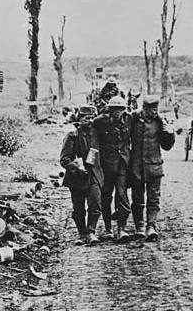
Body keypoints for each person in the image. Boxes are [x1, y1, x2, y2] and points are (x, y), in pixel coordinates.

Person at [129, 95, 175, 240]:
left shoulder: (160, 122)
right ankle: (139, 226)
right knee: (137, 199)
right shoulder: (133, 120)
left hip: (154, 166)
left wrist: (169, 133)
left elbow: (166, 146)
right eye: (151, 110)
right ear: (144, 108)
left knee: (153, 199)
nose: (154, 112)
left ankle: (151, 226)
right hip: (136, 167)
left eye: (155, 109)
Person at [59, 105, 102, 244]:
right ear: (79, 120)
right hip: (76, 178)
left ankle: (91, 232)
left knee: (95, 203)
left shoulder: (97, 134)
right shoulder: (72, 136)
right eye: (86, 118)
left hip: (94, 174)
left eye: (92, 118)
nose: (90, 121)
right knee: (78, 207)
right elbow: (64, 159)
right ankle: (82, 233)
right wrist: (76, 167)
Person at [92, 96, 132, 241]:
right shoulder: (100, 122)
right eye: (114, 109)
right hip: (105, 166)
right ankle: (108, 228)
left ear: (124, 110)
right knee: (106, 196)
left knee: (122, 195)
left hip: (122, 164)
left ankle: (121, 228)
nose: (117, 113)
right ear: (109, 109)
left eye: (120, 109)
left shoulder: (129, 120)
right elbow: (93, 144)